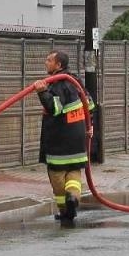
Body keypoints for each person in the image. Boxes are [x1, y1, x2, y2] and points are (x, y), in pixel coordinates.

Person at [33, 51, 89, 226]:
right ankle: (73, 197)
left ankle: (65, 210)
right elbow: (90, 104)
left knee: (57, 175)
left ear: (58, 65)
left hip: (59, 140)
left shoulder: (58, 85)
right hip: (78, 139)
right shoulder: (75, 82)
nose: (45, 62)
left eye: (49, 60)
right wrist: (89, 127)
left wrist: (42, 92)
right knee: (74, 171)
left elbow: (54, 109)